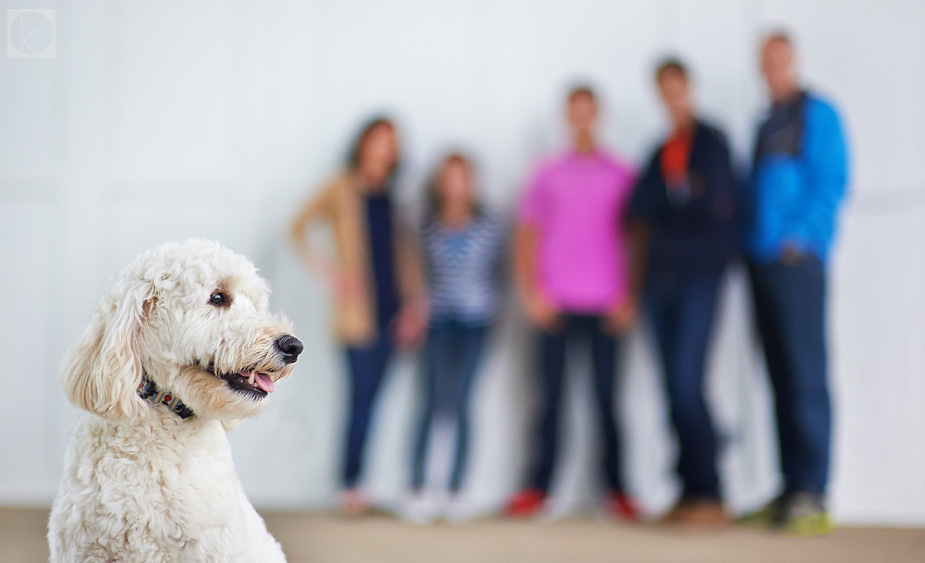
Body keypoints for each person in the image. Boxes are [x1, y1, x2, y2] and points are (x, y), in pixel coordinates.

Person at [506, 86, 638, 521]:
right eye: (574, 113)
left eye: (588, 113)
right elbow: (527, 236)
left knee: (608, 403)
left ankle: (617, 490)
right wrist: (531, 294)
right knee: (549, 402)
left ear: (599, 116)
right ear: (568, 118)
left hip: (607, 307)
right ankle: (537, 488)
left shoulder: (622, 173)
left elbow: (637, 239)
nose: (582, 120)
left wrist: (629, 295)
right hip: (554, 307)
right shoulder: (547, 173)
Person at [290, 117, 427, 516]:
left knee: (378, 402)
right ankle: (349, 485)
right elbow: (298, 226)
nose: (384, 149)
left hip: (394, 315)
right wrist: (329, 273)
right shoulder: (341, 186)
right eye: (378, 140)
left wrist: (414, 305)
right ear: (363, 144)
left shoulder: (393, 195)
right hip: (357, 317)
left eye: (392, 143)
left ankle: (363, 484)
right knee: (360, 402)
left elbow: (404, 256)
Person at [741, 33, 849, 536]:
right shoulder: (766, 122)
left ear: (794, 61)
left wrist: (799, 239)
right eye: (765, 62)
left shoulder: (818, 114)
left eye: (779, 60)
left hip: (796, 263)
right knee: (780, 375)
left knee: (806, 373)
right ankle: (790, 488)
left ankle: (813, 492)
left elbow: (832, 181)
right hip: (761, 263)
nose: (773, 69)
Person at [626, 59, 740, 526]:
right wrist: (683, 191)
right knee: (672, 385)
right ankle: (688, 490)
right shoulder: (658, 151)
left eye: (677, 88)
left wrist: (680, 197)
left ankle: (710, 491)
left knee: (689, 381)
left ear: (690, 89)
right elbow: (637, 206)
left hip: (700, 278)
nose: (671, 97)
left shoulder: (712, 141)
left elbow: (720, 202)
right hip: (660, 281)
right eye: (663, 90)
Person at [401, 153, 507, 524]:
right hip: (438, 320)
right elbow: (414, 266)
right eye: (449, 178)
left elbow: (500, 269)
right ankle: (417, 488)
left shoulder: (491, 222)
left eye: (463, 177)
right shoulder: (425, 222)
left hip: (477, 322)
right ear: (440, 183)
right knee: (430, 400)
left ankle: (458, 490)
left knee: (462, 402)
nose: (456, 185)